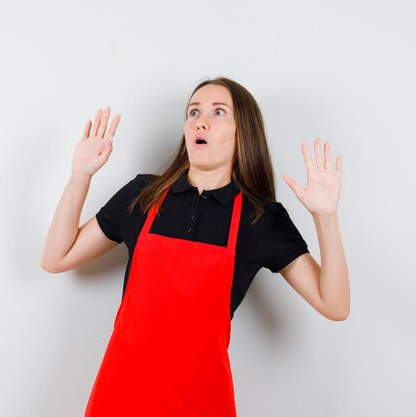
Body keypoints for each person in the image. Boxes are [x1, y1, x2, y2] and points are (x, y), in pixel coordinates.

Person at [40, 76, 350, 416]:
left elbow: (334, 304)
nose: (200, 120)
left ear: (242, 133)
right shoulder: (143, 195)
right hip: (122, 397)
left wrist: (326, 218)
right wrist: (80, 176)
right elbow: (57, 257)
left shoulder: (260, 218)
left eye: (219, 112)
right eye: (193, 112)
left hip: (202, 404)